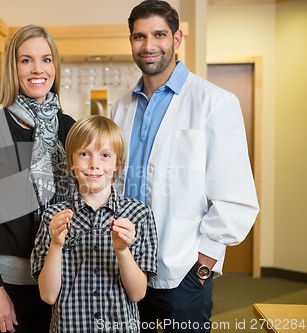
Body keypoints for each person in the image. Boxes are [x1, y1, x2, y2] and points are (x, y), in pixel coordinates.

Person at [111, 1, 260, 332]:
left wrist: (202, 268)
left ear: (177, 39)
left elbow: (235, 197)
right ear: (131, 41)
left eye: (159, 35)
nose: (149, 46)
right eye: (139, 37)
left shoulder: (214, 102)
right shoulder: (120, 107)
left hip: (182, 273)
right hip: (125, 267)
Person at [0, 25, 75, 333]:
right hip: (11, 287)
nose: (38, 69)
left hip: (65, 284)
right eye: (26, 60)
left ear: (55, 66)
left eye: (46, 59)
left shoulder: (68, 127)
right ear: (14, 67)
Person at [31, 115, 158, 333]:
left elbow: (137, 294)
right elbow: (48, 295)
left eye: (105, 155)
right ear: (71, 162)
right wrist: (56, 245)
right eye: (84, 154)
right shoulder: (53, 217)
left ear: (117, 163)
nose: (94, 164)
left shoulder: (139, 215)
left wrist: (122, 251)